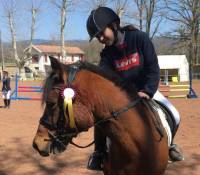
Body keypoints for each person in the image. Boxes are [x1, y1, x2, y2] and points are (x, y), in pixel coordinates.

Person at [86, 6, 184, 171]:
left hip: (146, 90)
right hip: (122, 98)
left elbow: (153, 69)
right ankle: (99, 152)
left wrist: (147, 91)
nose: (101, 38)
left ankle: (170, 145)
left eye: (102, 33)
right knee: (101, 120)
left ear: (114, 25)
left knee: (174, 113)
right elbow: (105, 79)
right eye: (98, 37)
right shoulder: (106, 55)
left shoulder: (140, 38)